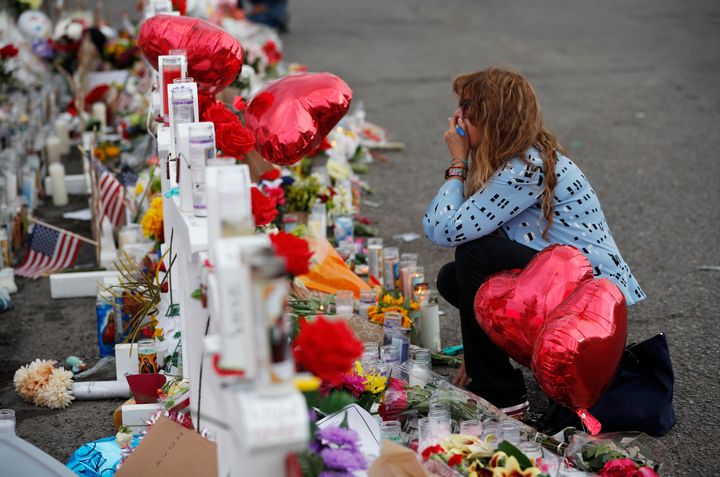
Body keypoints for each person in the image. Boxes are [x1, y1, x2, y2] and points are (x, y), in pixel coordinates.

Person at [423, 67, 645, 416]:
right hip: (565, 282)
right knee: (455, 278)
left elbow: (443, 229)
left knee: (473, 256)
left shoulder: (526, 166)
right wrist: (476, 350)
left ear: (490, 116)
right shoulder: (516, 159)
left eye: (466, 106)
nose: (457, 117)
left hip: (589, 302)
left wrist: (457, 160)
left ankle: (502, 394)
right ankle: (495, 372)